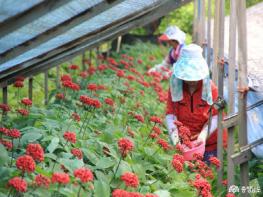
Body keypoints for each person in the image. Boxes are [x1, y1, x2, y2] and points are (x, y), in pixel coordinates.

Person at [165, 44, 227, 160]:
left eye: (195, 77)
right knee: (185, 174)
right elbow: (170, 114)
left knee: (204, 173)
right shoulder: (175, 87)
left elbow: (216, 116)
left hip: (209, 143)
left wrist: (203, 135)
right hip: (185, 142)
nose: (192, 80)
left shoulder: (210, 89)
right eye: (188, 77)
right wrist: (175, 138)